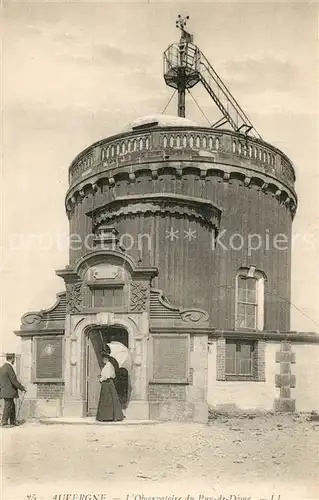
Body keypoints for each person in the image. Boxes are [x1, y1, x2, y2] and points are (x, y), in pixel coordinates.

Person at [96, 351, 124, 422]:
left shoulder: (108, 366)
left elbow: (107, 376)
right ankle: (110, 416)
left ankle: (108, 416)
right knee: (110, 399)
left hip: (107, 383)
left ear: (106, 359)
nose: (103, 360)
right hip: (109, 383)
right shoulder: (109, 365)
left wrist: (100, 379)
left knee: (107, 400)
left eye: (103, 359)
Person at [0, 353, 26, 427]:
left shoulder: (2, 368)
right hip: (9, 391)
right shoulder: (9, 367)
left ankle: (13, 421)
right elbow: (14, 380)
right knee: (8, 405)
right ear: (12, 358)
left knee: (11, 405)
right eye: (14, 359)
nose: (14, 360)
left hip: (4, 391)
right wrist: (22, 388)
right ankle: (4, 422)